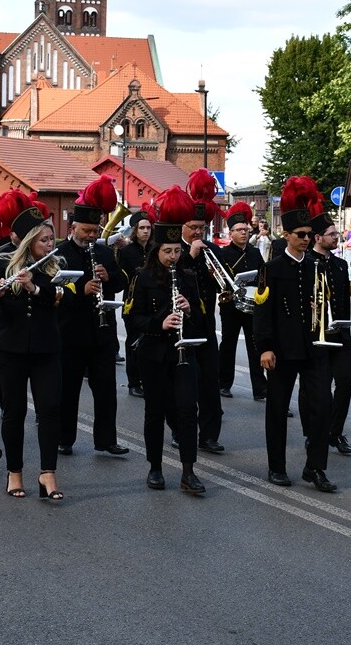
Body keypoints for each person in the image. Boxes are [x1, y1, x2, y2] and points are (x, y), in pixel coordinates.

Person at [253, 176, 337, 493]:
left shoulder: (317, 266)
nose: (305, 239)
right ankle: (276, 467)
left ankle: (315, 467)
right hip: (282, 350)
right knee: (277, 407)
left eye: (308, 235)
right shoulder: (272, 269)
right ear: (286, 235)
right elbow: (261, 311)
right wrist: (264, 348)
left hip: (314, 347)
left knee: (321, 407)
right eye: (300, 235)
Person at [123, 187, 205, 494]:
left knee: (187, 410)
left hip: (184, 354)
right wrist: (161, 322)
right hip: (153, 354)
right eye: (167, 251)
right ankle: (155, 468)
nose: (173, 256)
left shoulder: (188, 277)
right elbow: (132, 318)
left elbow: (202, 317)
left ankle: (188, 470)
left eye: (177, 251)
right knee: (155, 411)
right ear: (156, 250)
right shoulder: (142, 278)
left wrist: (188, 309)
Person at [0, 195, 64, 500]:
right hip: (10, 349)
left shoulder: (56, 268)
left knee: (49, 410)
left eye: (50, 239)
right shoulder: (4, 265)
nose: (48, 244)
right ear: (30, 241)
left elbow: (65, 297)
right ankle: (14, 471)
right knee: (13, 411)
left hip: (47, 350)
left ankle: (48, 473)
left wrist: (35, 287)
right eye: (43, 239)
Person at [55, 174, 130, 456]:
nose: (91, 236)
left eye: (95, 231)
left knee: (106, 391)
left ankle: (106, 440)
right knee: (69, 389)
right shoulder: (60, 253)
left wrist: (107, 276)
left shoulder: (103, 252)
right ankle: (64, 439)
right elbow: (55, 290)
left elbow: (122, 283)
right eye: (86, 231)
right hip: (70, 331)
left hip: (102, 332)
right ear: (73, 227)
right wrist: (80, 289)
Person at [182, 169, 226, 454]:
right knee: (186, 385)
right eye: (193, 227)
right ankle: (182, 431)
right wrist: (191, 255)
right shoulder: (173, 249)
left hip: (207, 323)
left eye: (202, 227)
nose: (198, 232)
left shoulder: (212, 249)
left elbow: (225, 279)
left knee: (211, 381)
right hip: (182, 325)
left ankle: (209, 434)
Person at [308, 215, 351, 455]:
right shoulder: (307, 263)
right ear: (318, 238)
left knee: (345, 383)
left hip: (340, 334)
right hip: (317, 337)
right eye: (332, 235)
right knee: (320, 390)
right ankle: (316, 433)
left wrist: (345, 327)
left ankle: (335, 432)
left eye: (338, 234)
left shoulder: (341, 265)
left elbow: (344, 299)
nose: (337, 238)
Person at [216, 201, 266, 401]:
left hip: (252, 306)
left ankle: (260, 388)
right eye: (239, 230)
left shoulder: (254, 252)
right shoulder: (224, 253)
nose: (243, 233)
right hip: (230, 306)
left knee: (255, 347)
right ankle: (223, 384)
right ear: (231, 234)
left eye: (245, 229)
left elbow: (263, 275)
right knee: (228, 345)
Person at [117, 209, 154, 398]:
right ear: (135, 230)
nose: (146, 231)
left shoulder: (156, 248)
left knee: (150, 343)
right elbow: (120, 278)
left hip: (153, 303)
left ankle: (147, 380)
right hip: (133, 302)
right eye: (142, 228)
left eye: (148, 227)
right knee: (133, 343)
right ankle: (133, 382)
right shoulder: (126, 251)